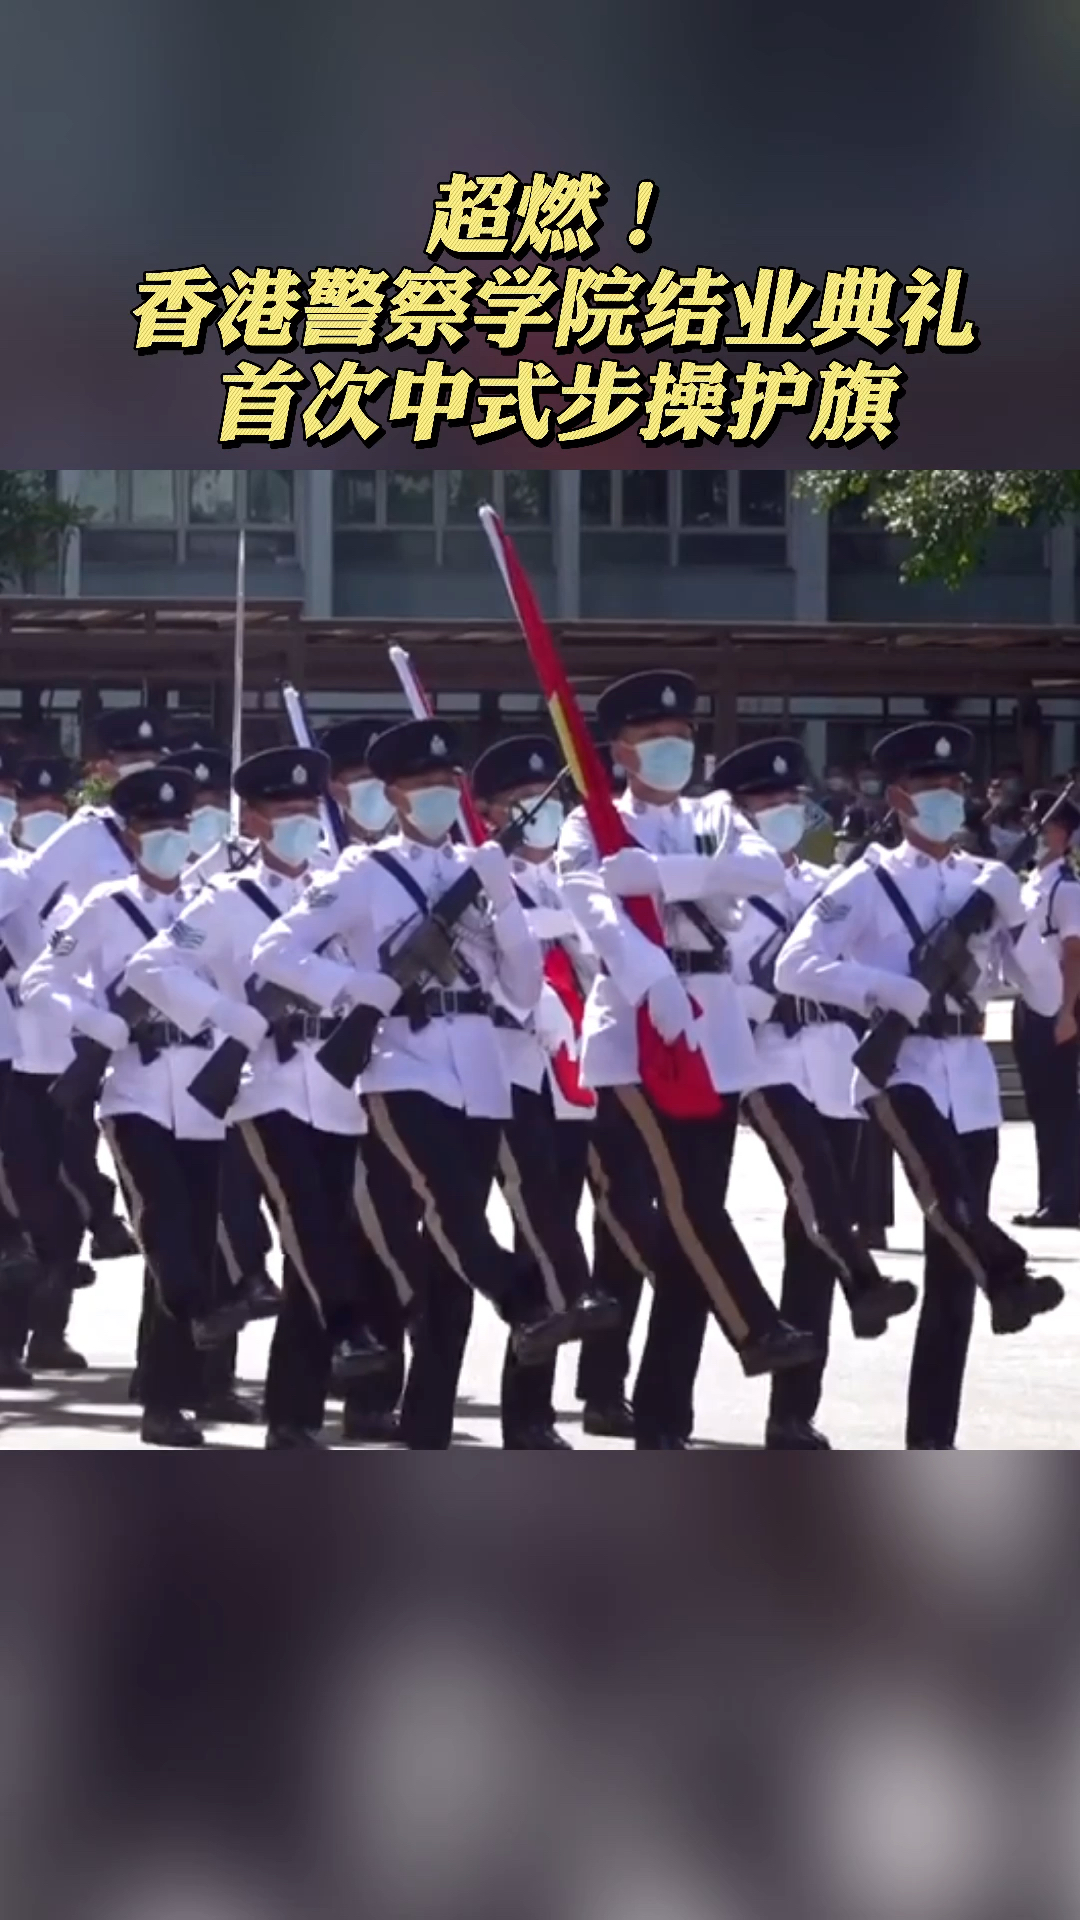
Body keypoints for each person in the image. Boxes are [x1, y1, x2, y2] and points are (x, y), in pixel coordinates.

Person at [252, 716, 605, 1449]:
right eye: (425, 783)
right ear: (392, 794)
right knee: (449, 1206)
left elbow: (518, 983)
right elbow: (275, 951)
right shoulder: (361, 875)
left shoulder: (477, 870)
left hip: (479, 1067)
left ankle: (427, 1427)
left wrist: (502, 900)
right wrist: (361, 987)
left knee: (446, 1268)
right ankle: (521, 1296)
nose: (441, 793)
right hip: (398, 1063)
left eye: (450, 781)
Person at [774, 722, 1065, 1450]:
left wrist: (1020, 916)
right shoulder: (866, 882)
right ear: (900, 797)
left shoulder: (983, 882)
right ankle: (1010, 1272)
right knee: (950, 1201)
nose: (946, 799)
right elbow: (794, 967)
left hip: (968, 1074)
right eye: (931, 789)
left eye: (956, 788)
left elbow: (1049, 997)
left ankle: (932, 1440)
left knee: (950, 1277)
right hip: (896, 1071)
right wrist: (885, 989)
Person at [557, 670, 821, 1450]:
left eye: (681, 735)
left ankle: (665, 1418)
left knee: (689, 1226)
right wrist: (651, 981)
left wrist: (665, 875)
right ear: (620, 750)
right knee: (687, 1206)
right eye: (653, 738)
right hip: (636, 1030)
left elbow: (763, 870)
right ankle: (758, 1325)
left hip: (716, 1027)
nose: (672, 748)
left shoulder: (714, 814)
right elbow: (597, 914)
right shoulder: (588, 825)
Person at [125, 744, 392, 1448]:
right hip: (255, 1090)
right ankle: (166, 1397)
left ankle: (295, 1414)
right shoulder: (224, 901)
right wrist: (225, 1015)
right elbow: (152, 967)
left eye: (310, 809)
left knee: (318, 1241)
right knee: (221, 1236)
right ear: (253, 818)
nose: (301, 822)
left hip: (335, 1089)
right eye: (285, 810)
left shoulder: (339, 892)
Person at [20, 765, 269, 1447]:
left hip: (208, 1091)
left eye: (179, 828)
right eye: (154, 830)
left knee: (203, 1237)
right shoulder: (104, 906)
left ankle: (193, 1385)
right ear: (129, 838)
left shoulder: (212, 904)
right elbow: (45, 977)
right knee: (165, 1230)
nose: (169, 840)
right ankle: (166, 1398)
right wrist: (93, 1022)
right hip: (136, 1089)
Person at [717, 737, 916, 1450]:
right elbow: (710, 985)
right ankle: (864, 1280)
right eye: (766, 802)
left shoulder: (831, 886)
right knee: (818, 1187)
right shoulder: (722, 895)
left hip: (836, 1068)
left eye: (790, 801)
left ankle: (793, 1412)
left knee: (810, 1240)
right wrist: (764, 998)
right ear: (736, 813)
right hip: (766, 1064)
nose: (783, 811)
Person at [471, 732, 617, 1449]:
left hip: (578, 1079)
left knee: (560, 1235)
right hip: (513, 1073)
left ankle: (547, 1407)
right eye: (524, 804)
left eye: (548, 799)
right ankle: (522, 1415)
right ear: (496, 814)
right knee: (536, 1236)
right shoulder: (485, 881)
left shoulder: (569, 878)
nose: (543, 812)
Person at [317, 715, 408, 1443]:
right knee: (326, 1235)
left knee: (390, 1231)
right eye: (357, 779)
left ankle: (377, 1392)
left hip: (401, 1070)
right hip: (316, 1075)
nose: (371, 792)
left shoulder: (428, 860)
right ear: (335, 788)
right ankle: (316, 1375)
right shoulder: (318, 863)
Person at [1012, 787, 1080, 1228]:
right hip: (1029, 1000)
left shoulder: (1066, 888)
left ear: (1066, 836)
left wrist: (1068, 1011)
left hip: (1059, 1003)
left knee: (1059, 1105)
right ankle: (1049, 1196)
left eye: (1046, 825)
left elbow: (1075, 952)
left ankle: (1064, 1200)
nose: (1035, 832)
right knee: (1040, 1103)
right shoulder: (1031, 882)